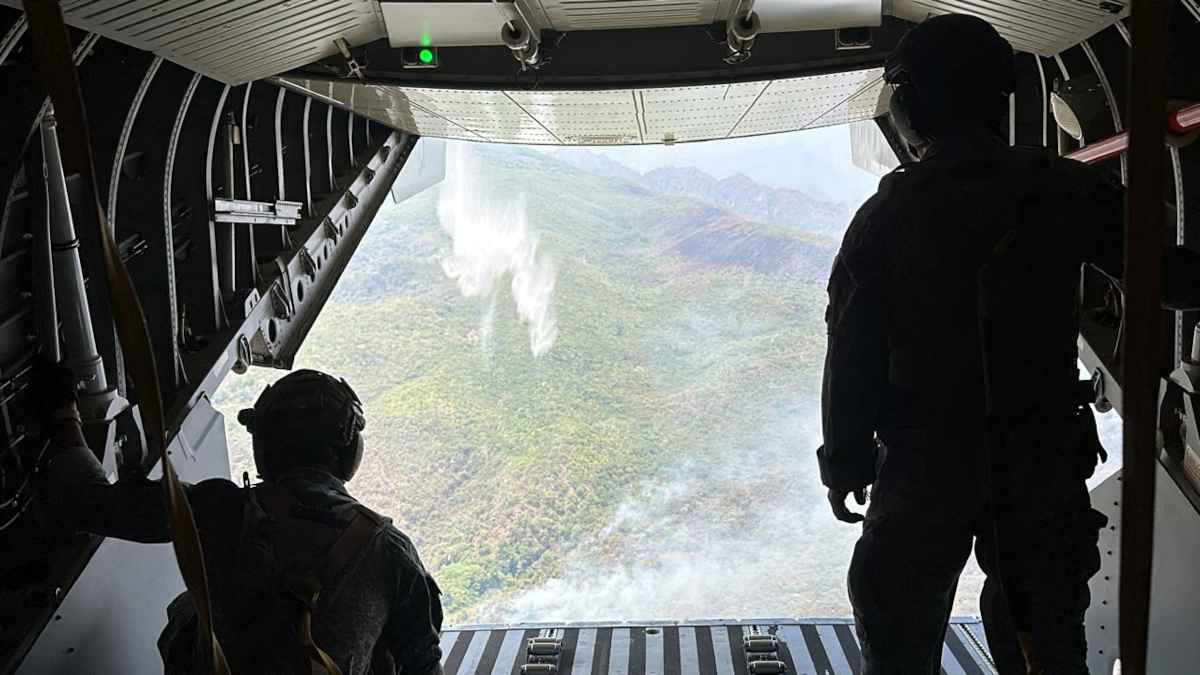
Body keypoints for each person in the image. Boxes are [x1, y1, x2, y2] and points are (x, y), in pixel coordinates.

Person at [816, 14, 1120, 675]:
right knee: (1045, 641)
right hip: (1039, 455)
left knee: (898, 630)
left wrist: (844, 461)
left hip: (927, 459)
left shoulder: (890, 214)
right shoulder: (1065, 189)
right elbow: (1160, 270)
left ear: (915, 100)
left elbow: (854, 350)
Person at [32, 363, 443, 675]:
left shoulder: (220, 509)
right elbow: (423, 662)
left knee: (189, 608)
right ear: (348, 450)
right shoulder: (392, 551)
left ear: (265, 448)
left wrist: (63, 415)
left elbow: (81, 503)